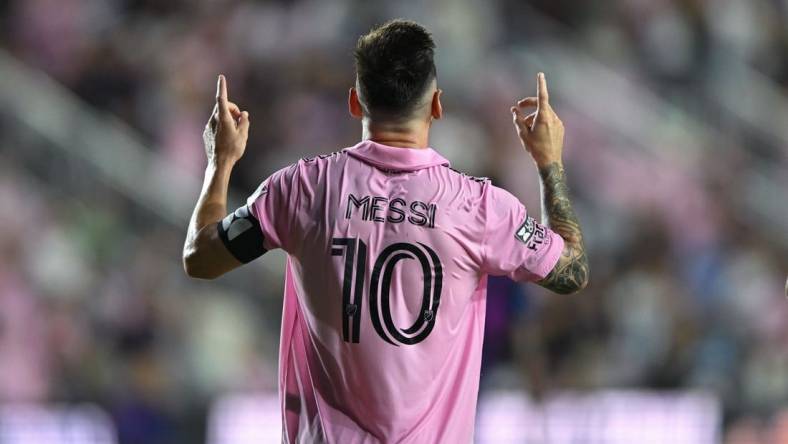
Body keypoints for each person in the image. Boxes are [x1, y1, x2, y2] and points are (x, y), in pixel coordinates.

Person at [183, 19, 588, 444]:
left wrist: (221, 162)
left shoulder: (302, 188)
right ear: (436, 105)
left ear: (355, 102)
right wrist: (549, 163)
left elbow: (201, 257)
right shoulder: (480, 208)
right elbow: (573, 271)